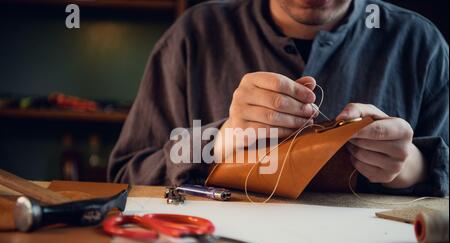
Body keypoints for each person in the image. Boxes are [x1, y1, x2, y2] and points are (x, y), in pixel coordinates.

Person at [108, 0, 449, 196]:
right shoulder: (193, 35)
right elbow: (125, 178)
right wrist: (216, 144)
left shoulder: (421, 45)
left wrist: (413, 166)